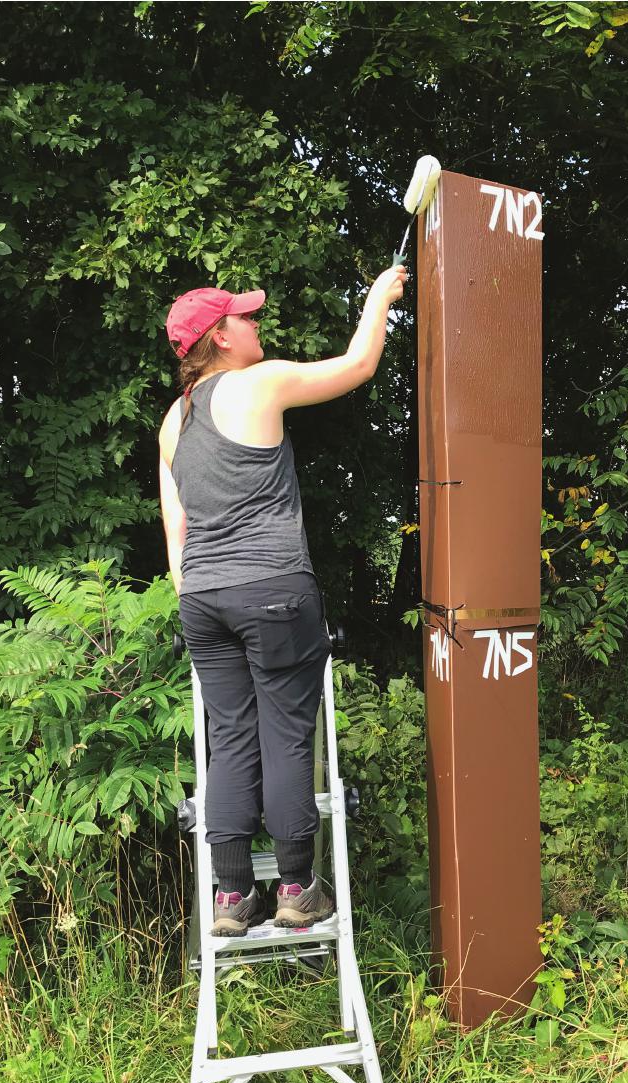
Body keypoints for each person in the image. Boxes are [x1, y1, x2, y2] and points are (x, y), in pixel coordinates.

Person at [159, 265, 408, 936]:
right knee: (287, 739)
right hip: (272, 590)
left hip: (204, 598)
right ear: (218, 336)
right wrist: (380, 297)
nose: (256, 322)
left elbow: (176, 532)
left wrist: (202, 600)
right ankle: (298, 888)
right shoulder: (258, 384)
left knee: (230, 739)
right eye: (245, 317)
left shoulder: (172, 421)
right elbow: (358, 365)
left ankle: (233, 898)